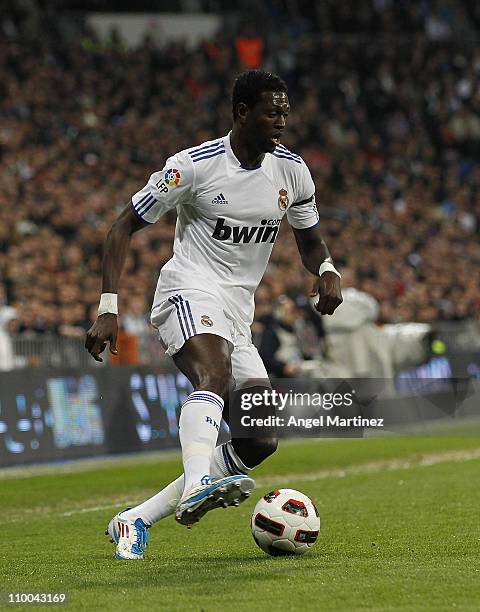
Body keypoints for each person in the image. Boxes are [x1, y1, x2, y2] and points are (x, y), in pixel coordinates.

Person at [85, 70, 343, 560]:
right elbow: (121, 227)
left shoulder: (292, 172)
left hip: (236, 311)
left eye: (286, 112)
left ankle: (136, 518)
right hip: (187, 290)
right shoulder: (194, 167)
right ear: (242, 113)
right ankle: (198, 482)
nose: (281, 122)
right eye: (272, 112)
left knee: (260, 439)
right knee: (214, 373)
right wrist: (108, 307)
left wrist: (327, 268)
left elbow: (310, 239)